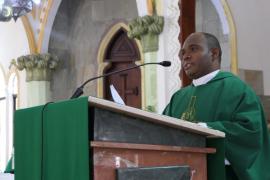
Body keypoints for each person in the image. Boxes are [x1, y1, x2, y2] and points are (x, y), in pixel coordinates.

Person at [163, 32, 270, 180]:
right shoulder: (179, 97)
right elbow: (161, 132)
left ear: (214, 54)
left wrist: (205, 129)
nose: (185, 56)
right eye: (182, 53)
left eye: (193, 49)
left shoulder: (237, 89)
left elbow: (251, 133)